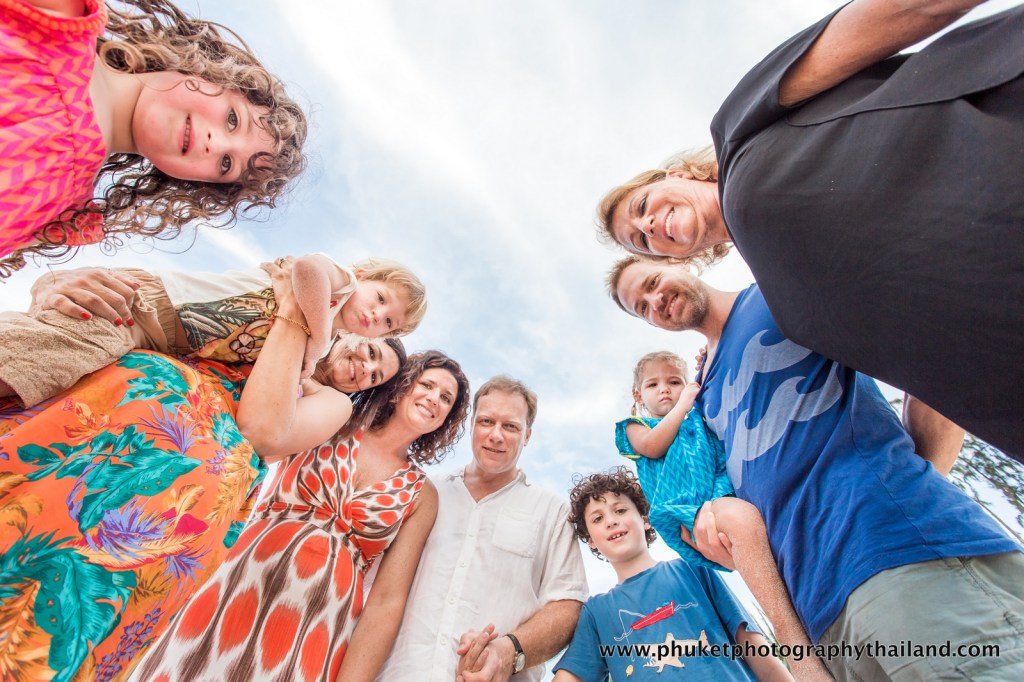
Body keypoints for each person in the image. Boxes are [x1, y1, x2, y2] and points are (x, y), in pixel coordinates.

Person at [597, 0, 1024, 462]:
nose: (649, 226)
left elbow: (900, 13)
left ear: (677, 174)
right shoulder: (794, 312)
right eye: (642, 241)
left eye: (641, 207)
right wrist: (927, 476)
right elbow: (932, 366)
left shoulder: (739, 127)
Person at [608, 256, 1024, 680]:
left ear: (681, 264)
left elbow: (932, 338)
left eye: (653, 280)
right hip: (820, 617)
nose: (654, 300)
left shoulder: (775, 295)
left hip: (900, 561)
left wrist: (912, 488)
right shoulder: (704, 397)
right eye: (641, 306)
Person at [0, 262, 404, 681]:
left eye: (374, 378)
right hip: (84, 422)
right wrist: (57, 282)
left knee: (59, 613)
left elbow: (261, 430)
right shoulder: (257, 306)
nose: (364, 367)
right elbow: (159, 300)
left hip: (164, 500)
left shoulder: (328, 400)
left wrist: (296, 316)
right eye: (372, 353)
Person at [131, 350, 471, 681]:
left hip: (318, 624)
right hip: (237, 577)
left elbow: (387, 600)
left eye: (446, 398)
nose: (434, 399)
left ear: (447, 419)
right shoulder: (334, 421)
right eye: (427, 385)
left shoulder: (422, 495)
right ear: (401, 387)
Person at [0, 0, 307, 277]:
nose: (215, 145)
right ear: (213, 73)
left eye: (225, 164)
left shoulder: (61, 213)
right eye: (233, 119)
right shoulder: (59, 19)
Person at [618, 351, 827, 678]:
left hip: (716, 505)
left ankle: (811, 626)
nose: (665, 390)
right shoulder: (635, 427)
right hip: (678, 514)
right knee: (747, 533)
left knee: (775, 553)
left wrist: (703, 366)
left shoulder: (698, 424)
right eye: (654, 384)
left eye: (674, 382)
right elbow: (651, 446)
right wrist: (683, 404)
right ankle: (791, 640)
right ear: (638, 395)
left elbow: (720, 466)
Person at [0, 255, 426, 408]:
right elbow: (307, 269)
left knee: (67, 369)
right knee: (52, 355)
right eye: (382, 298)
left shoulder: (328, 342)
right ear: (365, 274)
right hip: (151, 304)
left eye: (390, 322)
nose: (377, 315)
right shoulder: (339, 284)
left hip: (159, 340)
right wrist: (314, 344)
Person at [379, 375, 588, 682]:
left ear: (527, 435)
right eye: (487, 421)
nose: (496, 435)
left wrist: (509, 651)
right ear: (472, 425)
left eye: (511, 426)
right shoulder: (426, 492)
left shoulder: (553, 511)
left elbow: (568, 605)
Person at [553, 467, 791, 682]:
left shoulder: (693, 569)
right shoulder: (597, 613)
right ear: (591, 540)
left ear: (645, 520)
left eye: (621, 509)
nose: (611, 521)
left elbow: (751, 643)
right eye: (598, 518)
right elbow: (573, 675)